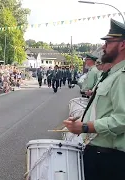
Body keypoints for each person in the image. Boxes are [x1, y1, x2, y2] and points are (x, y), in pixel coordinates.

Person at [64, 18, 125, 180]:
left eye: (108, 42)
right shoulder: (112, 74)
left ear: (122, 45)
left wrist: (85, 127)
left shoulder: (122, 76)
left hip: (110, 158)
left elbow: (122, 119)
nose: (104, 47)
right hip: (101, 154)